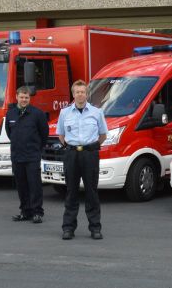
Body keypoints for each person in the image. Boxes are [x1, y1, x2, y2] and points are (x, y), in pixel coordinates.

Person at [57, 80, 108, 240]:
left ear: (87, 94)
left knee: (91, 191)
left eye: (83, 92)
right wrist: (71, 147)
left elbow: (103, 135)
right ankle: (68, 228)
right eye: (77, 92)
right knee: (71, 191)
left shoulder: (96, 112)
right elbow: (61, 134)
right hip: (72, 155)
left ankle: (95, 228)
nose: (80, 94)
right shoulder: (64, 113)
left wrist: (91, 148)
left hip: (89, 155)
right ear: (73, 94)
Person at [5, 86, 49, 223]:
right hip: (17, 156)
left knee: (34, 185)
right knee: (21, 186)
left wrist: (36, 149)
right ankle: (25, 211)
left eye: (27, 97)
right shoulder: (11, 114)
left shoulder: (38, 114)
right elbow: (9, 133)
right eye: (22, 97)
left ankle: (37, 212)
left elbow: (44, 134)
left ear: (30, 98)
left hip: (32, 156)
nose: (24, 100)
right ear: (16, 97)